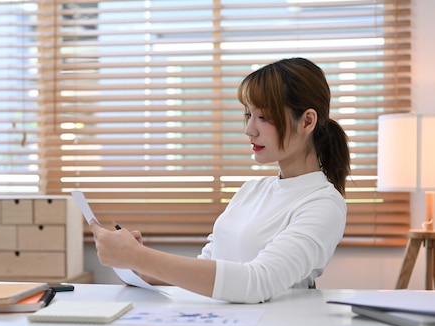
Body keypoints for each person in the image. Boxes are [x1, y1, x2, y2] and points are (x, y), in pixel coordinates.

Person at [89, 57, 351, 303]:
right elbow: (208, 266)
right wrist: (138, 267)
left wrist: (142, 258)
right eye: (248, 115)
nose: (249, 130)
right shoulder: (252, 190)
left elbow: (258, 282)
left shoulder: (323, 203)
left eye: (264, 117)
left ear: (307, 121)